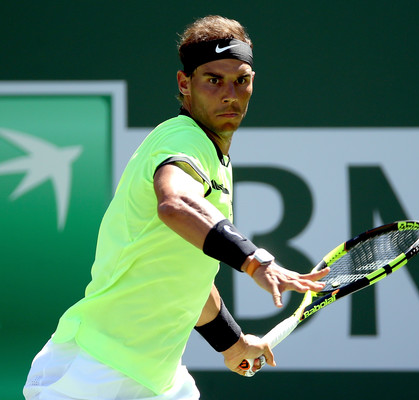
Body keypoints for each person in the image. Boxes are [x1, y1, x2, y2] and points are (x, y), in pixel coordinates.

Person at [23, 15, 329, 399]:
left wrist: (232, 343)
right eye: (213, 80)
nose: (230, 94)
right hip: (99, 370)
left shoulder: (214, 158)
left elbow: (186, 276)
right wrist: (253, 260)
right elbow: (176, 203)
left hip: (157, 377)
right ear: (185, 84)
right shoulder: (183, 138)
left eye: (242, 80)